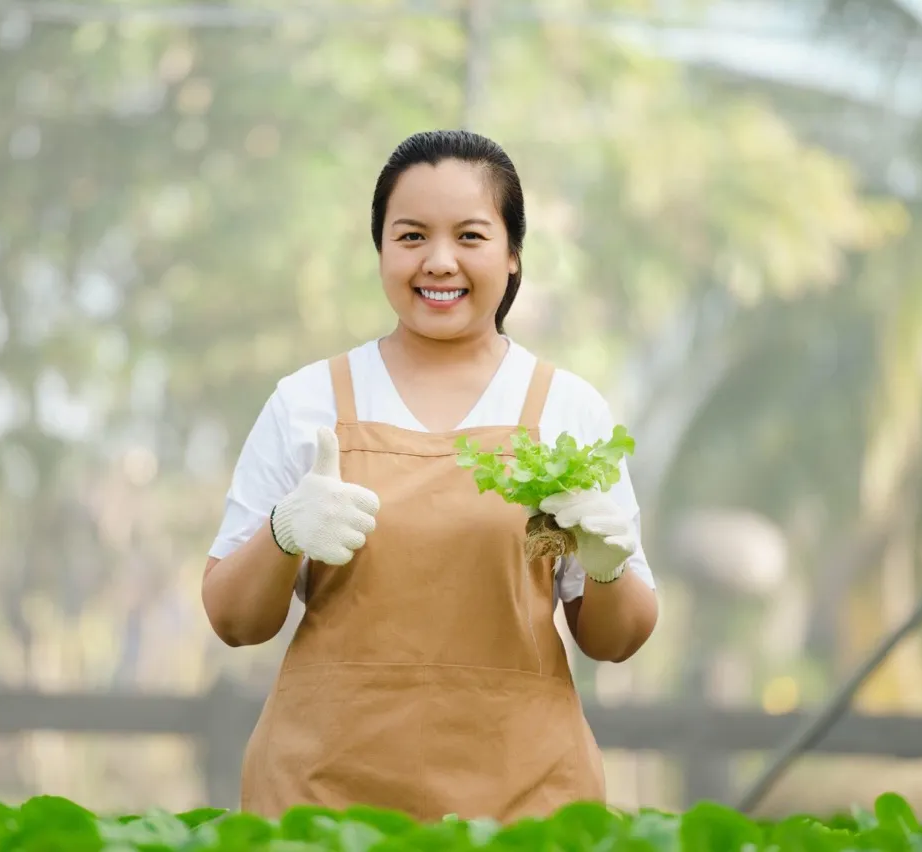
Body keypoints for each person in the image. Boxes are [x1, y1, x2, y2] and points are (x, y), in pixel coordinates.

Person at [201, 129, 658, 823]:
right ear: (381, 250)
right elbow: (233, 619)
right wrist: (283, 530)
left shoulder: (568, 410)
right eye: (410, 236)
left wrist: (605, 566)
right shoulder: (307, 402)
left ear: (512, 257)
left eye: (470, 237)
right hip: (324, 804)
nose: (438, 262)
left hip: (524, 805)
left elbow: (616, 640)